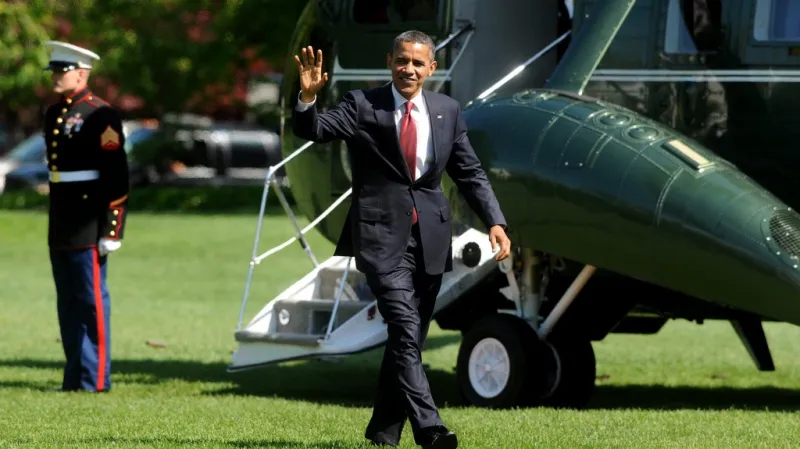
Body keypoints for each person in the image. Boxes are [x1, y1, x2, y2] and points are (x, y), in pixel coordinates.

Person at [292, 30, 511, 449]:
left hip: (430, 238)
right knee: (406, 329)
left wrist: (495, 221)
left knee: (406, 341)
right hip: (378, 236)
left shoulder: (447, 110)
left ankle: (383, 433)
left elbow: (469, 172)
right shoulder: (362, 105)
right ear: (389, 60)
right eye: (402, 60)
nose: (408, 69)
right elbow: (315, 130)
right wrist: (307, 100)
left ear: (432, 68)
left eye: (417, 63)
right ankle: (431, 430)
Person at [42, 41, 129, 393]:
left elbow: (116, 173)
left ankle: (95, 379)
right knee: (68, 302)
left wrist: (113, 227)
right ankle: (74, 375)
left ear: (82, 73)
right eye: (55, 71)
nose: (56, 77)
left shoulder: (101, 114)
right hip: (63, 218)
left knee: (91, 301)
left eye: (62, 71)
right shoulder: (54, 113)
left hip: (90, 220)